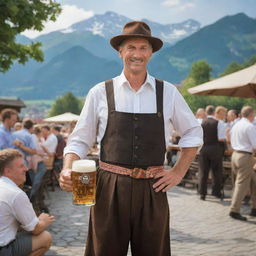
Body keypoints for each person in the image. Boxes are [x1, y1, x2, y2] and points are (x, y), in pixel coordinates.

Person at [59, 21, 203, 256]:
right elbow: (79, 140)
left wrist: (178, 171)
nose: (137, 54)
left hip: (152, 187)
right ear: (121, 52)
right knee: (103, 251)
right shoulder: (100, 92)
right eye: (131, 47)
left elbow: (194, 133)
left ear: (151, 53)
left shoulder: (168, 92)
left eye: (143, 47)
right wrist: (67, 168)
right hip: (109, 188)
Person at [0, 149, 55, 256]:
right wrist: (43, 220)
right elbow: (35, 229)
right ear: (7, 171)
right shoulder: (15, 193)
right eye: (21, 166)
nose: (26, 169)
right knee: (45, 237)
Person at [229, 106, 256, 221]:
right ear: (251, 114)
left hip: (235, 154)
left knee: (252, 182)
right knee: (241, 184)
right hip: (245, 156)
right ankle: (234, 210)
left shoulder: (237, 125)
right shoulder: (249, 126)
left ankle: (254, 208)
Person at [198, 105, 226, 200]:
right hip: (215, 148)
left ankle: (202, 193)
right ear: (214, 113)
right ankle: (216, 192)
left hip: (204, 148)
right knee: (216, 171)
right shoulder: (219, 123)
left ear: (206, 112)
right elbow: (221, 138)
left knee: (203, 171)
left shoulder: (201, 122)